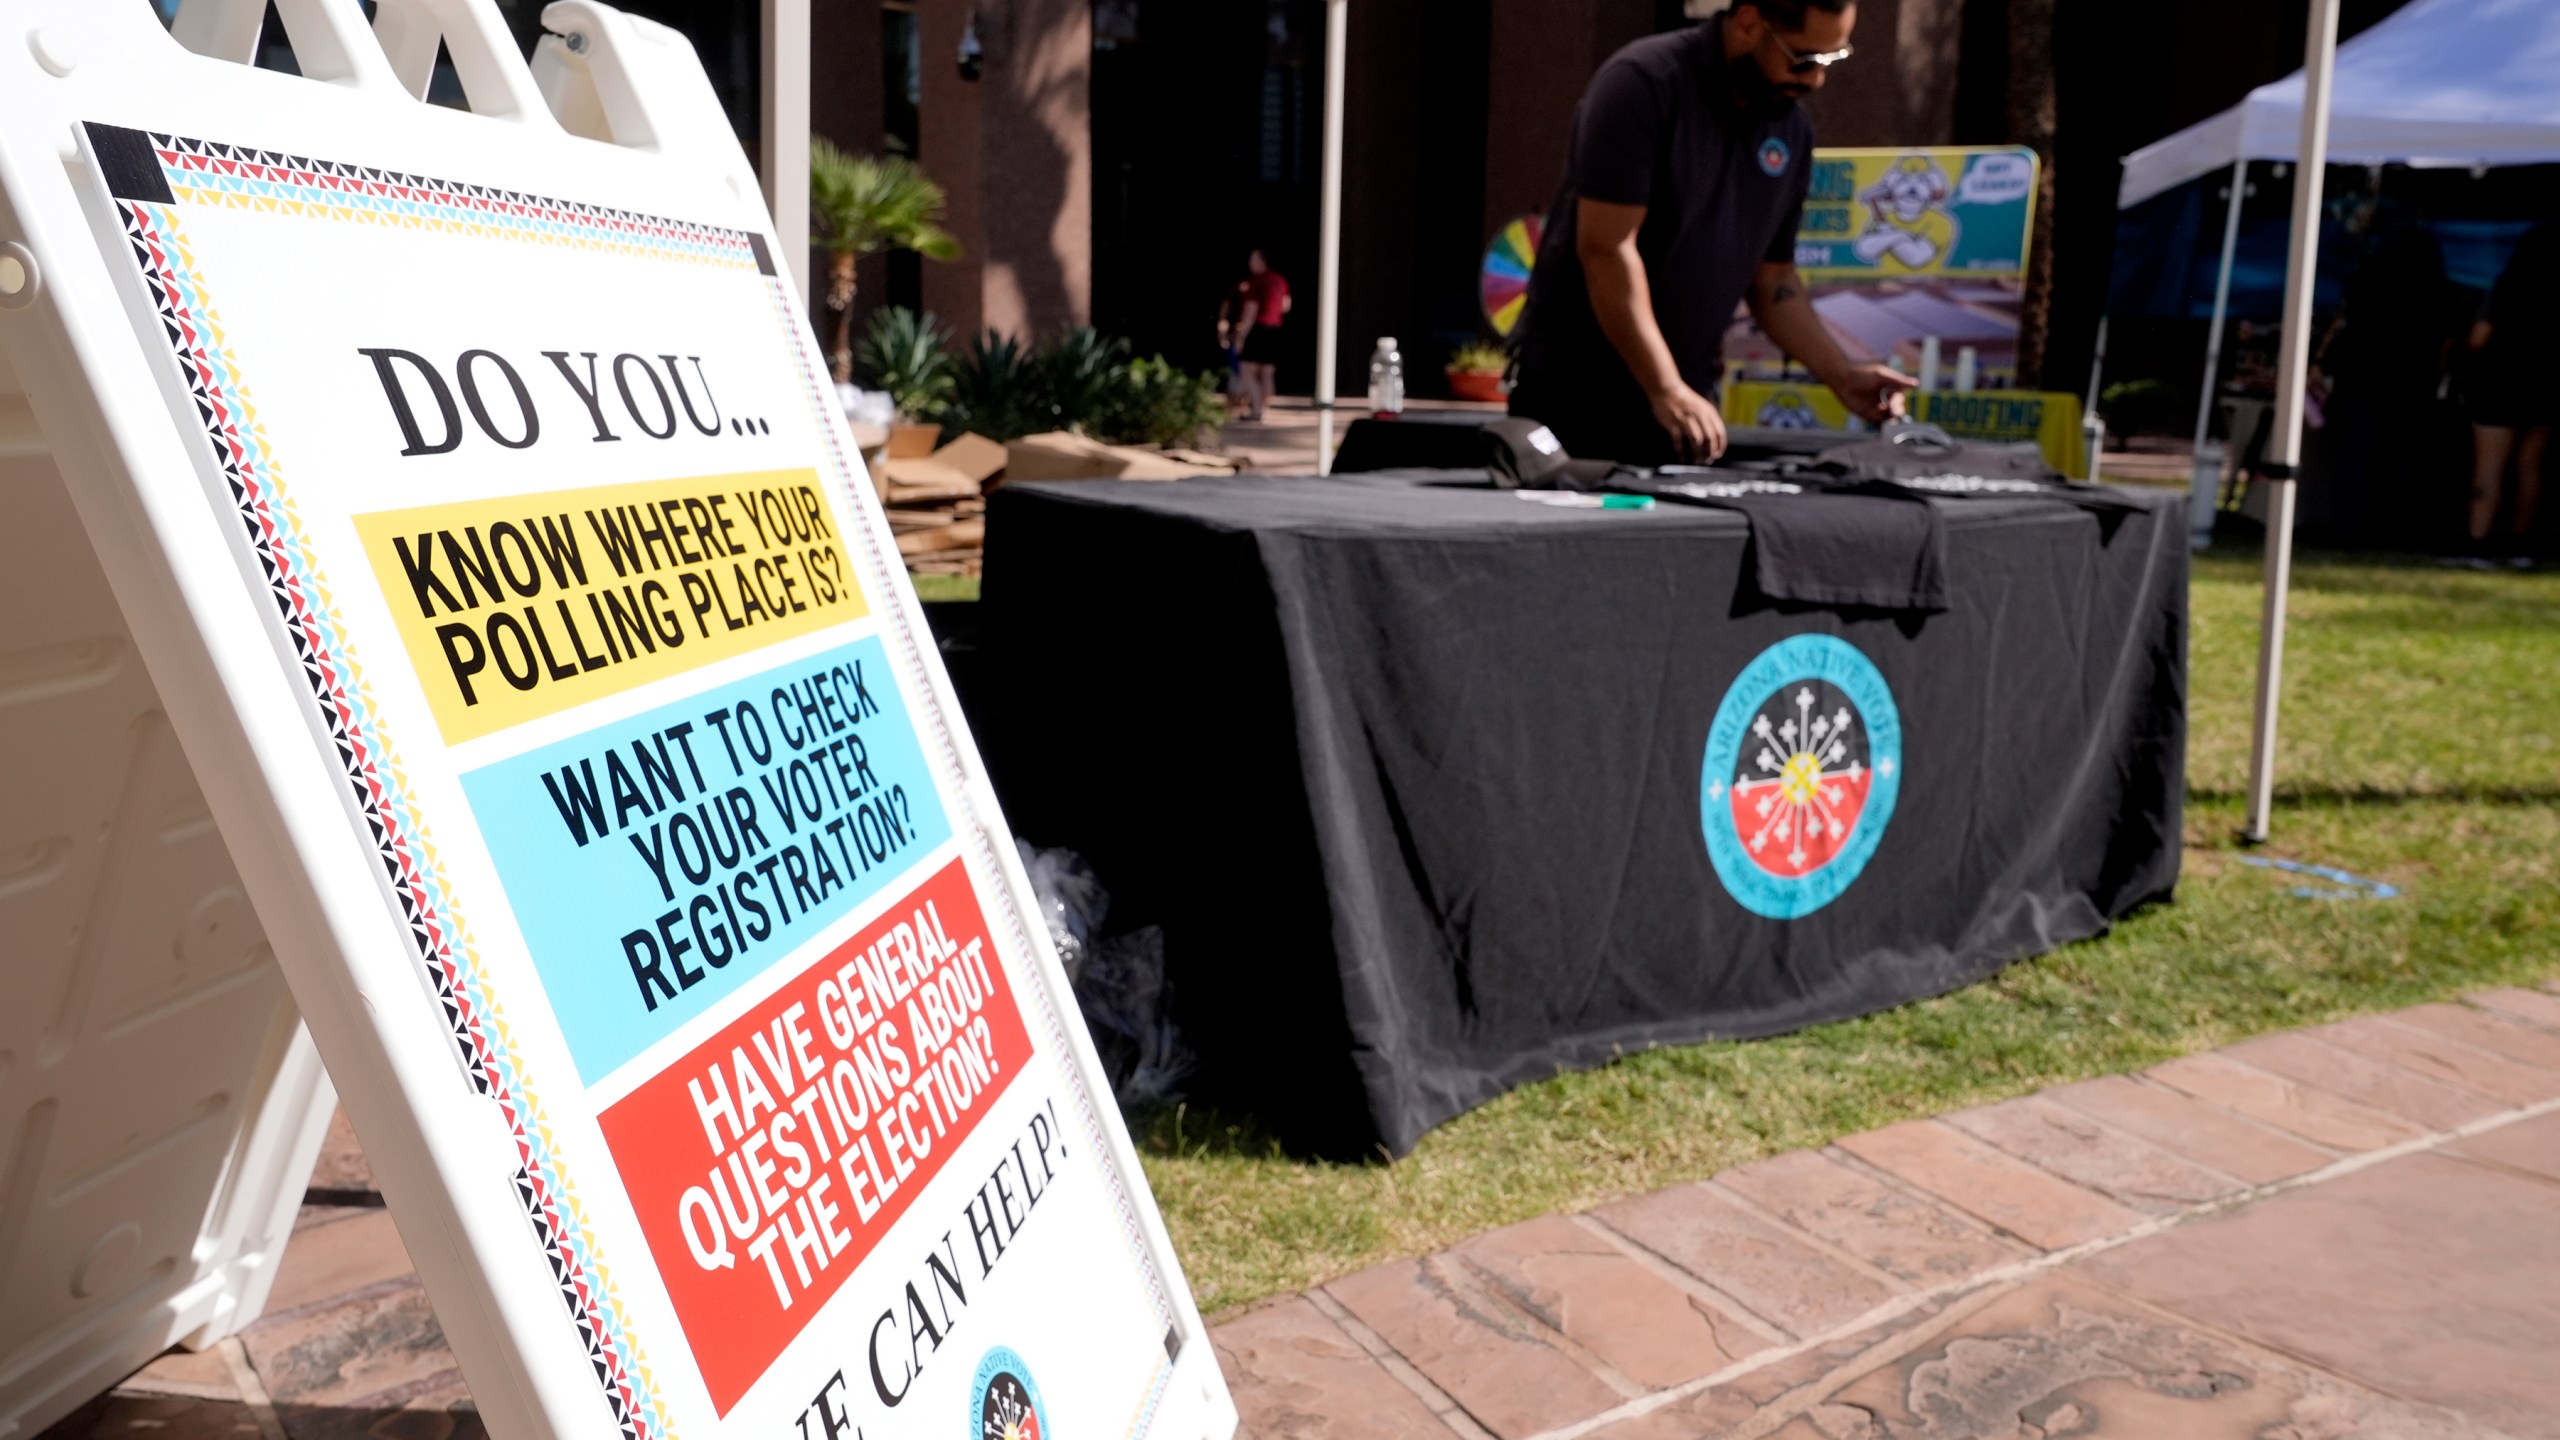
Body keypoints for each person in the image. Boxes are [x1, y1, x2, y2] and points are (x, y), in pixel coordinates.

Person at [1507, 0, 1912, 466]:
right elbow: (1606, 249)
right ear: (1748, 23)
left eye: (1831, 60)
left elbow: (1773, 281)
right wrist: (1664, 386)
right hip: (1574, 394)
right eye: (1803, 59)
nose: (1814, 80)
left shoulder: (1790, 129)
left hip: (1685, 406)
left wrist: (1843, 376)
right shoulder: (1643, 82)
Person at [2463, 220, 2558, 562]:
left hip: (2499, 384)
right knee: (2531, 467)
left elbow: (2477, 338)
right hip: (2548, 386)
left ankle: (2479, 543)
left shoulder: (2505, 288)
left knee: (2488, 468)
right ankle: (2521, 543)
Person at [1219, 249, 1291, 424]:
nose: (1250, 263)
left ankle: (1257, 410)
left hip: (1259, 329)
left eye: (1253, 259)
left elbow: (1250, 312)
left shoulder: (1257, 282)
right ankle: (1264, 408)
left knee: (1245, 370)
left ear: (1262, 261)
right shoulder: (1280, 281)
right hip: (1275, 328)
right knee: (1267, 372)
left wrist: (1241, 337)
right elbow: (1285, 306)